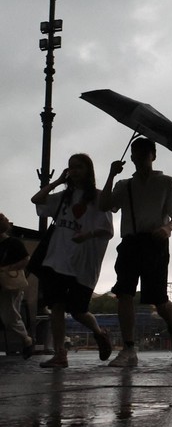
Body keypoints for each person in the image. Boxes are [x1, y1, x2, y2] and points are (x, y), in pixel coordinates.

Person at [98, 138, 172, 367]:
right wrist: (111, 175)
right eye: (136, 154)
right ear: (132, 157)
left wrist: (167, 228)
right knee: (124, 292)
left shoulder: (166, 182)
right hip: (130, 241)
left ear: (153, 155)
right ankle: (129, 348)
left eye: (144, 154)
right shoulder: (124, 185)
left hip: (155, 242)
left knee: (158, 298)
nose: (140, 158)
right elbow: (104, 205)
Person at [31, 154, 114, 368]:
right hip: (57, 259)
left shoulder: (97, 197)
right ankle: (60, 354)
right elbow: (37, 199)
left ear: (88, 170)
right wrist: (58, 181)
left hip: (82, 263)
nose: (74, 171)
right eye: (71, 167)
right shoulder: (64, 196)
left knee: (78, 311)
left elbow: (108, 230)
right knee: (56, 306)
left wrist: (87, 235)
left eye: (78, 167)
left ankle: (99, 333)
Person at [0, 213, 34, 358]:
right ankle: (26, 340)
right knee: (10, 316)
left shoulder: (13, 243)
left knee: (10, 317)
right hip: (6, 283)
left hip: (8, 283)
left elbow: (26, 260)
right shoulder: (12, 242)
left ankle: (27, 340)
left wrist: (7, 268)